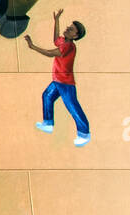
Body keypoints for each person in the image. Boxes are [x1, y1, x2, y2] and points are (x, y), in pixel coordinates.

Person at [26, 9, 90, 146]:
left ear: (75, 35)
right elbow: (55, 40)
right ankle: (48, 123)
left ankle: (84, 134)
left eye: (71, 29)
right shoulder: (63, 41)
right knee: (47, 96)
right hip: (57, 80)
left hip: (65, 83)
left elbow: (50, 53)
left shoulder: (69, 46)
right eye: (69, 26)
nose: (67, 29)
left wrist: (33, 47)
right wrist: (56, 21)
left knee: (72, 107)